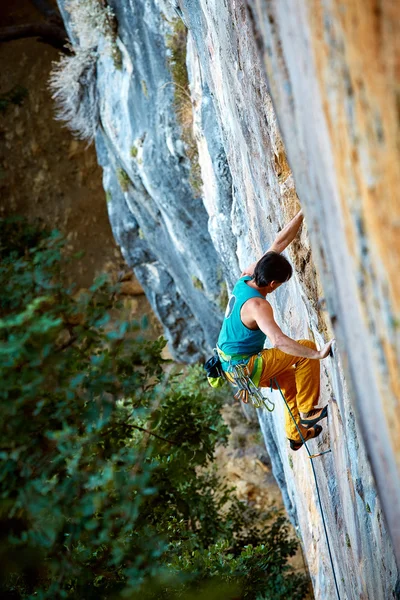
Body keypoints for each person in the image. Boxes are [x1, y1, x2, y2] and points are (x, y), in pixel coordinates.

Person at [217, 209, 333, 451]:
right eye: (279, 284)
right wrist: (316, 354)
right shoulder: (258, 306)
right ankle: (308, 411)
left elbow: (279, 242)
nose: (278, 287)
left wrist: (302, 213)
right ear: (272, 284)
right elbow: (279, 341)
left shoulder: (248, 276)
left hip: (231, 365)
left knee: (290, 382)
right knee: (306, 349)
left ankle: (295, 434)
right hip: (244, 366)